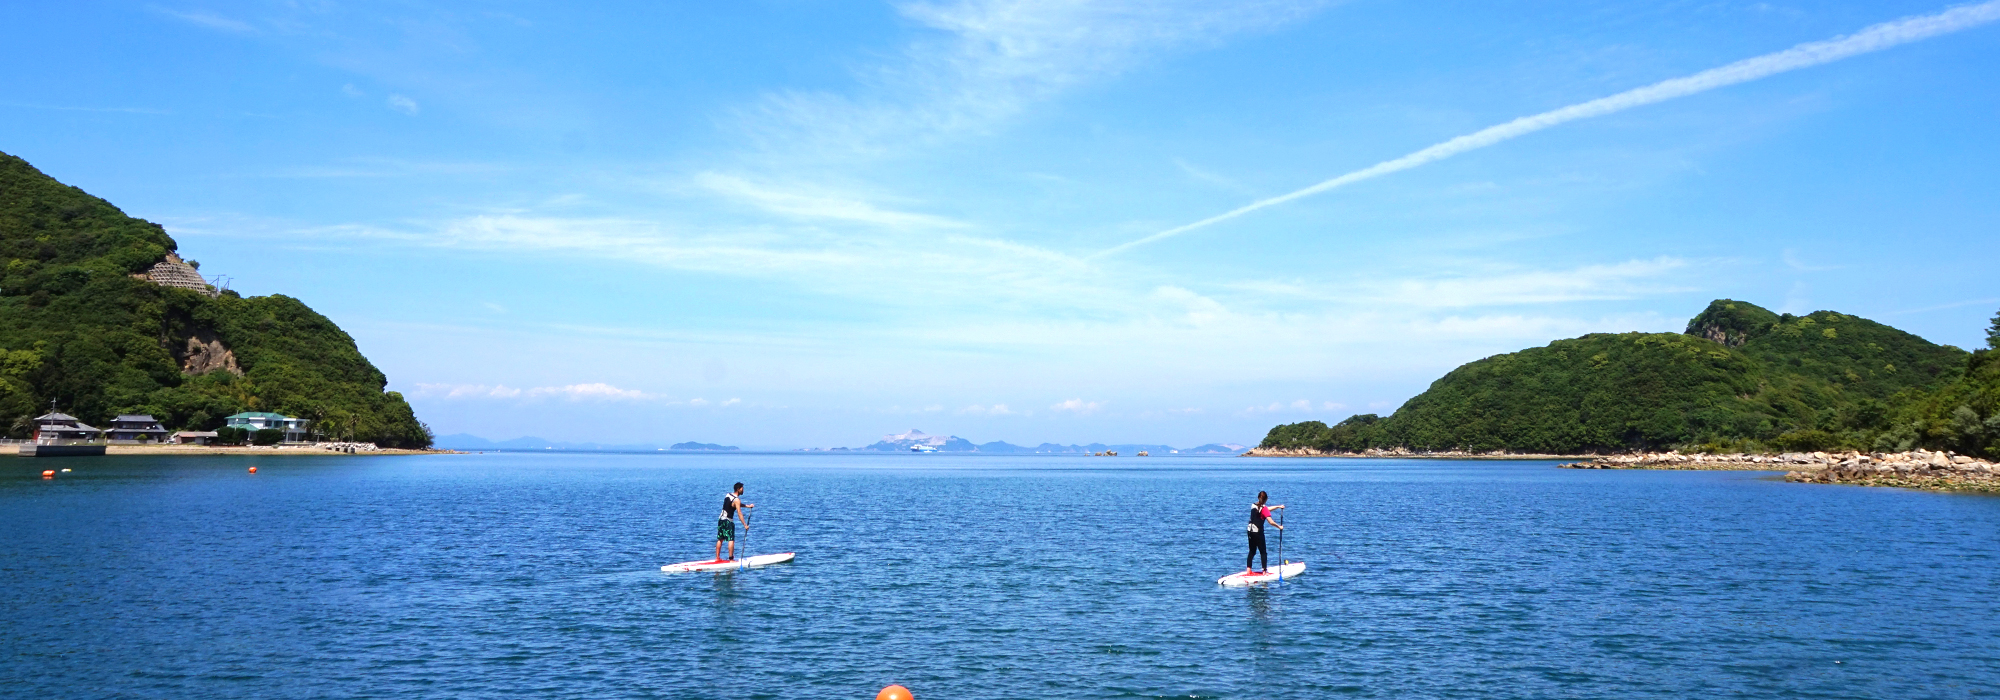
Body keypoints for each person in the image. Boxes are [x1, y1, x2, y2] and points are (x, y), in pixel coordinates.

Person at [1245, 491, 1284, 574]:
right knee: (1263, 552)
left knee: (1252, 551)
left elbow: (1265, 509)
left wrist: (1278, 506)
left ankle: (1248, 570)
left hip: (1250, 531)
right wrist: (1279, 527)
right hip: (1258, 533)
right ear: (1266, 499)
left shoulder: (1253, 505)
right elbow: (1270, 521)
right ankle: (1264, 571)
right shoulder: (1264, 508)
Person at [715, 482, 755, 561]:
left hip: (721, 519)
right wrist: (744, 525)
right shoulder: (737, 500)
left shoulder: (728, 495)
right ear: (738, 489)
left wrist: (747, 506)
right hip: (728, 521)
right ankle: (731, 559)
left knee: (720, 539)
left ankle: (717, 558)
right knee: (731, 539)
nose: (743, 490)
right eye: (742, 489)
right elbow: (739, 513)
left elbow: (734, 504)